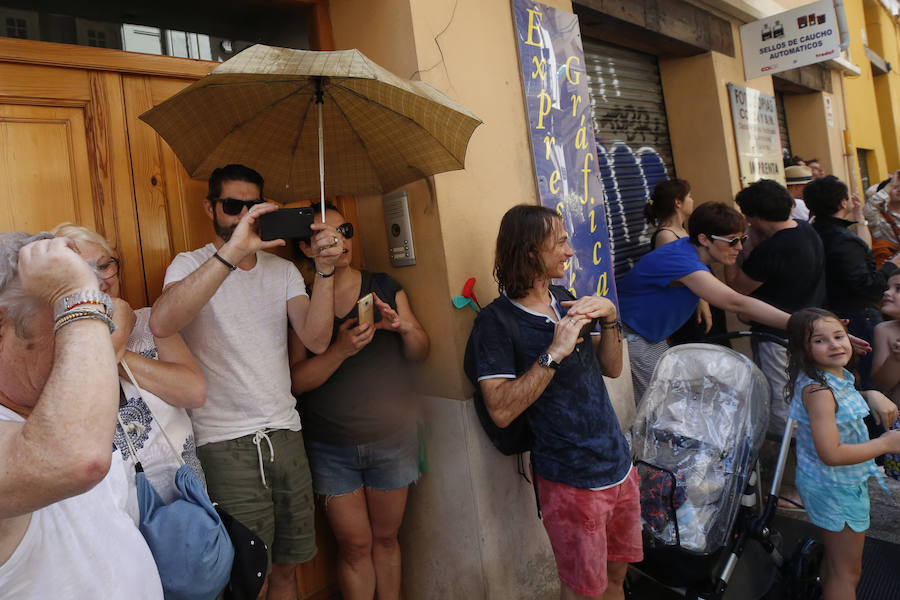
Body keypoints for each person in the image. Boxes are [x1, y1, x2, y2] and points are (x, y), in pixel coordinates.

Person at [149, 164, 344, 600]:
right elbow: (163, 320)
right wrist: (231, 255)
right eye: (231, 206)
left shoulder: (281, 271)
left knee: (288, 572)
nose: (241, 216)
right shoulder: (190, 264)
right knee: (247, 580)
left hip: (286, 434)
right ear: (210, 207)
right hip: (223, 443)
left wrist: (326, 271)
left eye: (250, 207)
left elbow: (315, 338)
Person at [467, 204, 640, 600]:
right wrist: (553, 353)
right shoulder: (495, 323)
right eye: (559, 242)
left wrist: (610, 316)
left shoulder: (563, 298)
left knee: (616, 582)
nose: (569, 251)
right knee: (583, 592)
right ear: (530, 252)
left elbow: (612, 369)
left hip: (617, 467)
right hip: (570, 480)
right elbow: (502, 408)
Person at [0, 233, 162, 598]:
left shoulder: (66, 406)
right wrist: (76, 295)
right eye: (67, 323)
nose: (90, 343)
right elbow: (78, 459)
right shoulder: (70, 431)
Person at [289, 203, 429, 600]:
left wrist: (403, 328)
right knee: (354, 547)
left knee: (386, 541)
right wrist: (340, 351)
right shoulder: (300, 300)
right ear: (307, 248)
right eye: (327, 236)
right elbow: (297, 381)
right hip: (330, 444)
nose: (340, 241)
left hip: (391, 437)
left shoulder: (383, 285)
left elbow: (422, 350)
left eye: (345, 230)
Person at [51, 223, 207, 521]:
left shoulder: (152, 321)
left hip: (184, 499)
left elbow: (193, 391)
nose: (102, 280)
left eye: (104, 265)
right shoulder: (56, 346)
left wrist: (115, 351)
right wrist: (115, 336)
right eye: (83, 271)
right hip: (112, 511)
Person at [618, 202, 794, 402]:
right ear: (704, 239)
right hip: (631, 336)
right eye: (732, 241)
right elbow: (736, 302)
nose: (739, 247)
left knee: (669, 402)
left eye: (742, 238)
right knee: (659, 407)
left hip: (649, 336)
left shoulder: (687, 251)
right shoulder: (681, 260)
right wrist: (797, 322)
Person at [784, 308, 900, 599]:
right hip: (836, 487)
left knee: (838, 563)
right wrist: (886, 443)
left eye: (838, 336)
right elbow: (831, 454)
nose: (835, 344)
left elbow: (836, 409)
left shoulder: (832, 377)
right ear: (803, 349)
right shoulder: (820, 391)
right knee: (848, 573)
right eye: (820, 340)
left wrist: (869, 394)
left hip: (833, 484)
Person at [725, 179, 825, 435]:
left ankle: (787, 453)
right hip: (809, 328)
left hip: (775, 336)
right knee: (805, 390)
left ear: (755, 217)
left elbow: (738, 286)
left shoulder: (773, 249)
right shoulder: (805, 230)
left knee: (780, 398)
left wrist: (730, 253)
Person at [805, 175, 900, 392]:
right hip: (859, 316)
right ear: (842, 203)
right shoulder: (842, 239)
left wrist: (858, 217)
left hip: (835, 313)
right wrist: (891, 266)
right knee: (872, 381)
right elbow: (866, 284)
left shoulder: (814, 233)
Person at [644, 179, 712, 339]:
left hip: (698, 299)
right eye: (689, 196)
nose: (692, 200)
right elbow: (678, 275)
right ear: (678, 202)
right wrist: (702, 301)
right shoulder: (666, 235)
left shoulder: (681, 230)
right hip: (690, 308)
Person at [874, 273, 900, 479]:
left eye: (898, 289)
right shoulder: (884, 331)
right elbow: (883, 383)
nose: (887, 292)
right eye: (888, 287)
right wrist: (896, 358)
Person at [863, 170, 900, 267]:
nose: (899, 189)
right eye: (895, 187)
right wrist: (891, 184)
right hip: (893, 272)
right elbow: (868, 210)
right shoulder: (879, 217)